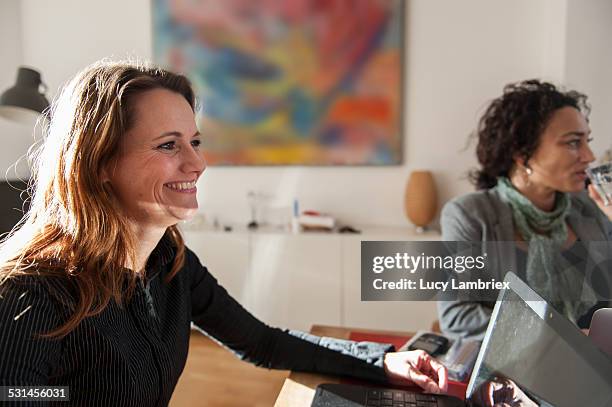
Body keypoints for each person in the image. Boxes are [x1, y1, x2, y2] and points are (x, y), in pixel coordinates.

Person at [0, 61, 447, 406]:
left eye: (194, 142)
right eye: (168, 145)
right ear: (98, 165)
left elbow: (261, 341)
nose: (197, 164)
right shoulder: (29, 295)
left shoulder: (168, 263)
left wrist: (381, 361)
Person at [438, 80, 612, 339]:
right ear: (522, 154)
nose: (589, 156)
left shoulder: (591, 208)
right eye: (573, 143)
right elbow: (457, 316)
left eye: (587, 141)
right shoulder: (469, 215)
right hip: (511, 374)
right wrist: (565, 338)